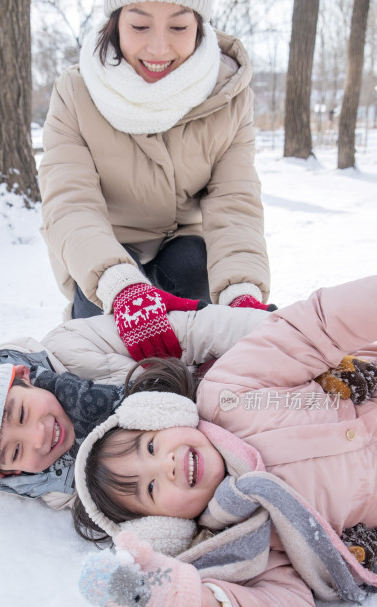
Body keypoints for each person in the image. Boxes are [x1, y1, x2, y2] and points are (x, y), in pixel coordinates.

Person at [73, 276, 377, 607]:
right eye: (150, 488)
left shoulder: (229, 391)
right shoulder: (247, 542)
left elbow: (313, 328)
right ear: (164, 526)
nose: (164, 464)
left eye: (150, 445)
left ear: (165, 415)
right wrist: (194, 602)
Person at [39, 0, 274, 362]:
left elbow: (235, 203)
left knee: (197, 270)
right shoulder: (76, 91)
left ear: (198, 25)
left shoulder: (228, 96)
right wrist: (121, 286)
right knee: (103, 345)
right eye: (140, 26)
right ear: (116, 23)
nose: (159, 48)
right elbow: (69, 202)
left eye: (178, 28)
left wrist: (241, 293)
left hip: (182, 247)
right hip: (105, 253)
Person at [0, 303, 270, 511]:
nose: (39, 436)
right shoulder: (61, 489)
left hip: (218, 380)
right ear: (11, 474)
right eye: (15, 452)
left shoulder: (70, 347)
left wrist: (272, 333)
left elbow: (191, 331)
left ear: (23, 377)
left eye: (22, 414)